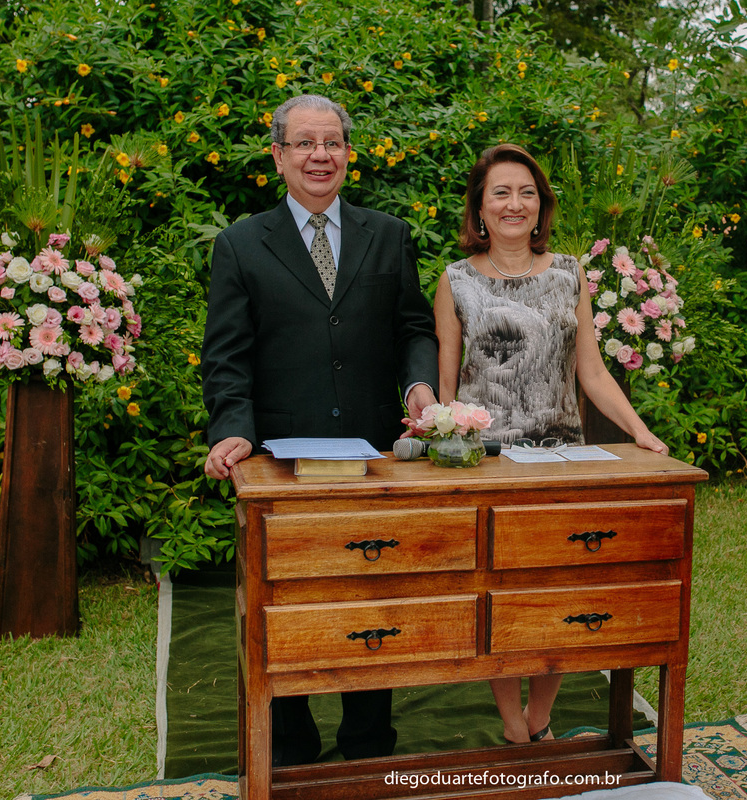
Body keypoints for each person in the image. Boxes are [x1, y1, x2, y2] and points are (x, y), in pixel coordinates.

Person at [201, 94, 438, 764]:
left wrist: (420, 385)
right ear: (277, 155)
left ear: (348, 155)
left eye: (331, 142)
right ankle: (292, 747)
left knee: (373, 595)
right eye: (304, 143)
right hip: (282, 461)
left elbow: (413, 327)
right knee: (293, 602)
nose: (319, 156)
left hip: (374, 456)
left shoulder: (388, 235)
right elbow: (226, 356)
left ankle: (368, 745)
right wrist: (232, 428)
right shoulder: (240, 245)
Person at [433, 143, 669, 745]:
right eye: (501, 194)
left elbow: (591, 372)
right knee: (500, 596)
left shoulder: (570, 275)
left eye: (527, 193)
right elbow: (447, 385)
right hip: (488, 463)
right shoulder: (454, 281)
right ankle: (515, 729)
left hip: (564, 456)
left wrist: (640, 431)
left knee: (560, 592)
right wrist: (443, 442)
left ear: (541, 208)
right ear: (479, 210)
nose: (515, 204)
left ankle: (542, 719)